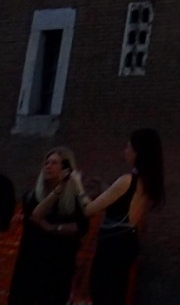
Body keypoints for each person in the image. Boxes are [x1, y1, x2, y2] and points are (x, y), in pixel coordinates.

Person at [84, 129, 164, 305]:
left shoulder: (126, 180)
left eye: (128, 146)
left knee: (102, 292)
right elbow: (122, 201)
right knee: (116, 293)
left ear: (137, 151)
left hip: (112, 244)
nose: (124, 151)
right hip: (128, 240)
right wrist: (105, 187)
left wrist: (77, 187)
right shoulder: (148, 181)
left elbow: (88, 209)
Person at [10, 148, 88, 305]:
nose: (48, 166)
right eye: (46, 163)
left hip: (58, 267)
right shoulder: (32, 196)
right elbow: (36, 215)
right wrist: (58, 190)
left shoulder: (74, 200)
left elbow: (81, 227)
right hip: (30, 265)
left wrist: (52, 227)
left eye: (54, 163)